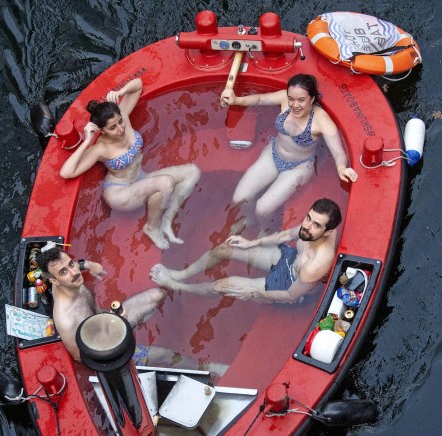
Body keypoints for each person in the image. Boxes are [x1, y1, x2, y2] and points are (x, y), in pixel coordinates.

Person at [59, 78, 201, 250]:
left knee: (192, 172)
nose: (120, 129)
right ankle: (152, 228)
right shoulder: (100, 149)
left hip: (140, 178)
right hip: (120, 193)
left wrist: (121, 92)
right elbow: (66, 172)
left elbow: (138, 85)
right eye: (112, 128)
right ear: (102, 130)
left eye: (120, 121)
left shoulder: (124, 117)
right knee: (165, 183)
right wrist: (87, 141)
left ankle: (166, 219)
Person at [220, 74, 357, 228]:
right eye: (291, 99)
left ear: (312, 99)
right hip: (273, 154)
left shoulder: (322, 120)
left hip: (298, 167)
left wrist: (341, 167)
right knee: (239, 198)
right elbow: (259, 99)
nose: (295, 105)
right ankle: (250, 220)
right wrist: (237, 100)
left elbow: (338, 152)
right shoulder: (284, 99)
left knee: (263, 209)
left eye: (301, 100)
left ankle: (265, 230)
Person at [149, 198, 342, 304]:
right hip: (290, 258)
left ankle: (176, 286)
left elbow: (291, 295)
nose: (307, 226)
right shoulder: (310, 229)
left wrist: (255, 293)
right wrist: (251, 243)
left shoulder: (316, 264)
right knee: (225, 248)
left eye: (316, 225)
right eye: (308, 218)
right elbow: (285, 236)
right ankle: (182, 274)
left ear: (328, 232)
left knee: (222, 286)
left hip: (289, 284)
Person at [40, 247, 165, 363]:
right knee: (167, 355)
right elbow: (80, 357)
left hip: (109, 317)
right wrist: (115, 330)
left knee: (158, 295)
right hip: (107, 346)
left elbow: (67, 266)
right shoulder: (67, 320)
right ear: (54, 281)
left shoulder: (70, 280)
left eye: (71, 264)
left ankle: (133, 325)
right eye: (63, 272)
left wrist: (88, 265)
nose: (74, 272)